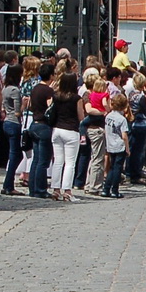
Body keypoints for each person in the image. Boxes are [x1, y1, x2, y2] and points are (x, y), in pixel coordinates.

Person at [45, 73, 84, 202]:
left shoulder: (56, 96)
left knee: (58, 161)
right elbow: (81, 117)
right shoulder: (76, 98)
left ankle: (55, 189)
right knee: (70, 163)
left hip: (57, 130)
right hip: (71, 130)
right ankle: (67, 190)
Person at [26, 61, 56, 199]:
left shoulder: (35, 88)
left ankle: (32, 188)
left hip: (34, 123)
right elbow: (50, 109)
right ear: (51, 75)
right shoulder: (48, 91)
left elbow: (31, 106)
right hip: (44, 126)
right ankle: (40, 189)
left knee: (36, 160)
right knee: (43, 161)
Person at [0, 65, 24, 196]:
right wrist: (25, 104)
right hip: (14, 122)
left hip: (6, 122)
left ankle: (7, 184)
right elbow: (18, 112)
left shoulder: (5, 89)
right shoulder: (15, 90)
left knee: (15, 155)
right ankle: (8, 184)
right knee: (15, 155)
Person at [102, 93, 129, 198]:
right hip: (119, 145)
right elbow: (124, 135)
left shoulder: (108, 116)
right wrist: (127, 148)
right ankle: (115, 190)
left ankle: (106, 189)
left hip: (110, 144)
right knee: (117, 168)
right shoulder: (122, 119)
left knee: (112, 167)